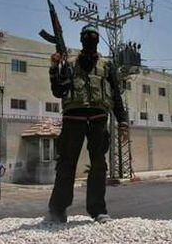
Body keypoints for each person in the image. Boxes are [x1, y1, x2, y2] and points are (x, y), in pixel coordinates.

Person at [46, 24, 129, 224]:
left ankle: (98, 210)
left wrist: (123, 122)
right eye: (87, 37)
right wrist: (54, 68)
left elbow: (116, 95)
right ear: (81, 40)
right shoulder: (70, 64)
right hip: (73, 119)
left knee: (99, 164)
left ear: (97, 40)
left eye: (93, 37)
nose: (90, 40)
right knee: (66, 164)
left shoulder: (106, 66)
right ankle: (57, 210)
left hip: (99, 120)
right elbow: (58, 91)